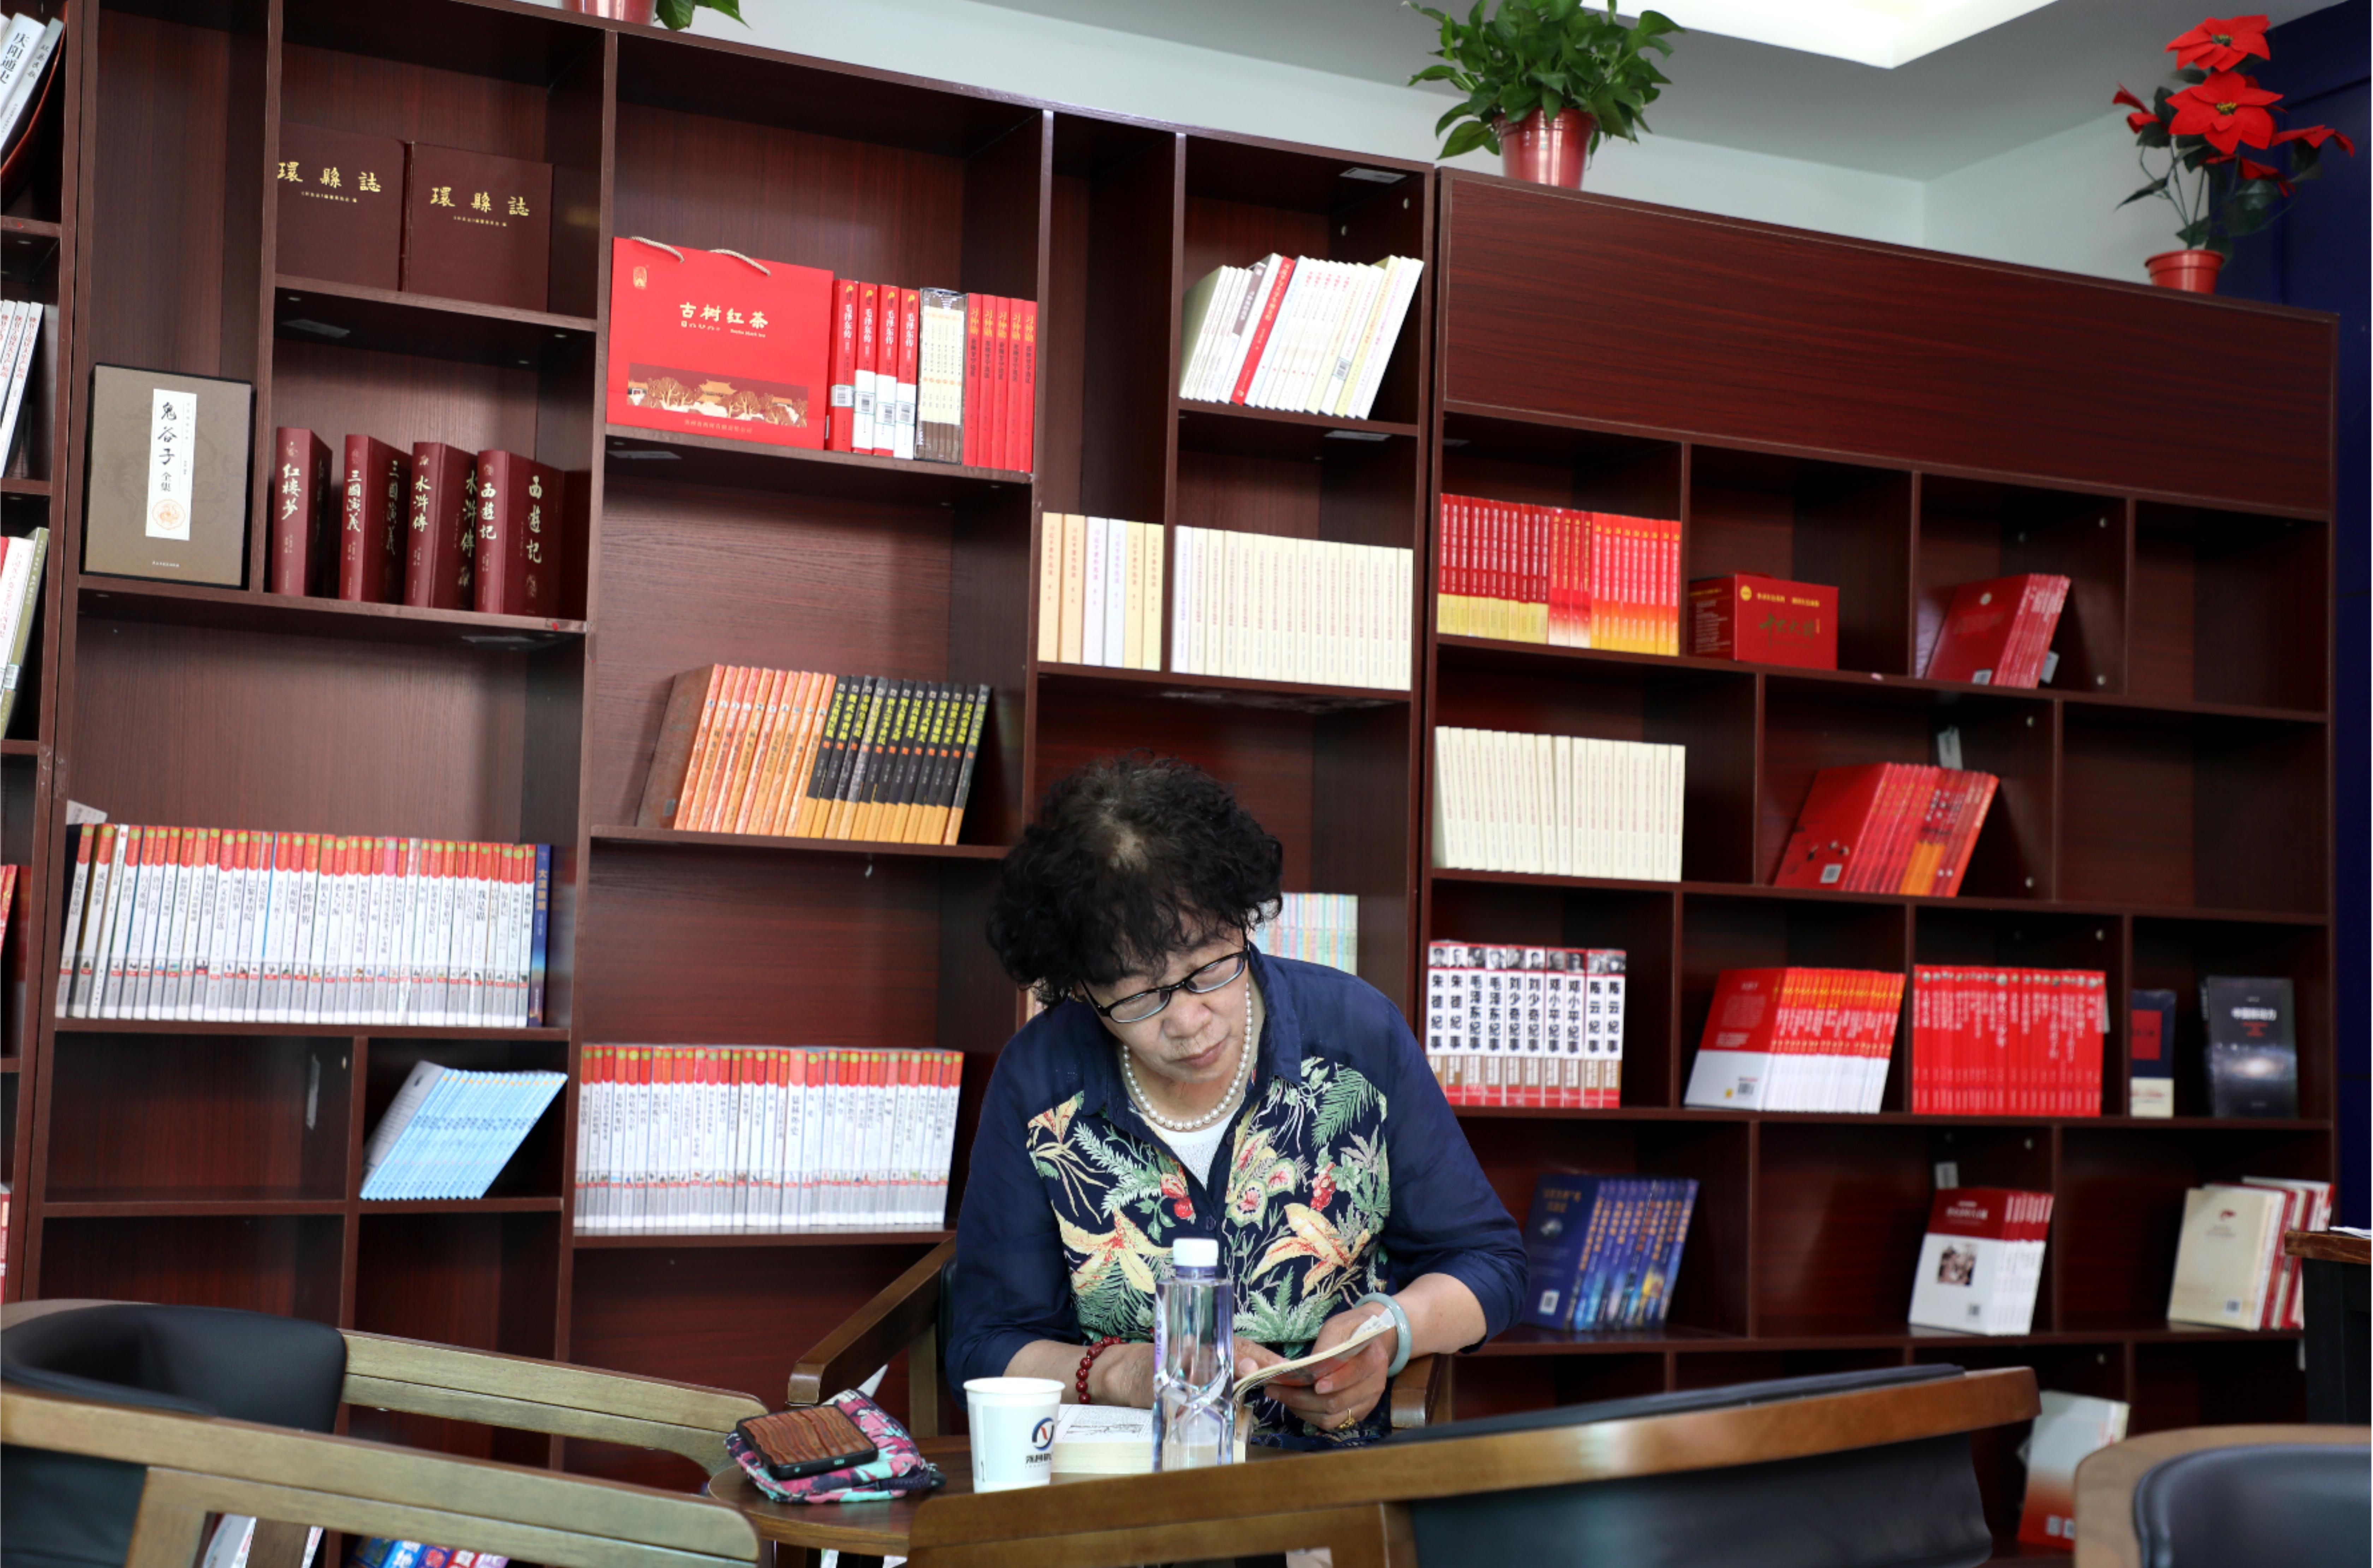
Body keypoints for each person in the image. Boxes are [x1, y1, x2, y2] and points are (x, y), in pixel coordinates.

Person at [948, 755, 1528, 1447]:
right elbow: (985, 1342)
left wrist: (1388, 1331)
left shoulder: (1357, 1035)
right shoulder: (1040, 1079)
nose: (1187, 1022)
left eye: (1209, 968)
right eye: (1137, 996)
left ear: (1241, 919)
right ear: (1080, 988)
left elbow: (1489, 1263)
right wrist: (1120, 1372)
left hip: (1335, 1476)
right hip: (1128, 1482)